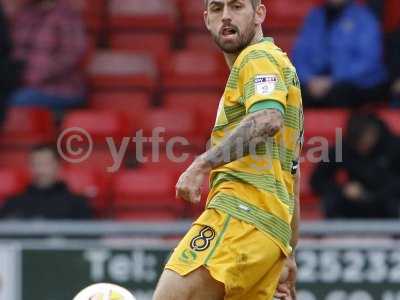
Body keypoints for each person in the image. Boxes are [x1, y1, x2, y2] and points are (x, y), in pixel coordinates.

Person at [153, 0, 303, 299]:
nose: (226, 17)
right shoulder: (279, 67)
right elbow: (292, 176)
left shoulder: (257, 58)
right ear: (206, 19)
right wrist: (286, 251)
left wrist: (201, 165)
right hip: (267, 233)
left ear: (259, 13)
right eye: (218, 8)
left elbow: (268, 119)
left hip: (241, 217)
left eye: (236, 6)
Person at [293, 0, 387, 107]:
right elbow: (299, 55)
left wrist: (333, 80)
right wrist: (309, 79)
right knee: (293, 94)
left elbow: (368, 62)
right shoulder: (315, 16)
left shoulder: (364, 18)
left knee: (340, 94)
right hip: (316, 81)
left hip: (356, 84)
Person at [311, 113, 400, 219]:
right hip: (352, 202)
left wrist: (377, 192)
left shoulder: (393, 146)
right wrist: (342, 189)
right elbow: (317, 180)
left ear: (374, 132)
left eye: (365, 141)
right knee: (331, 201)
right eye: (358, 144)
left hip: (386, 201)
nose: (362, 147)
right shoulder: (342, 148)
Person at [7, 0, 87, 110]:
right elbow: (13, 52)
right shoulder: (23, 14)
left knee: (17, 101)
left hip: (60, 90)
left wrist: (35, 76)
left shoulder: (65, 15)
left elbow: (72, 55)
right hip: (21, 86)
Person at [0, 144, 93, 219]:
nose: (40, 169)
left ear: (58, 166)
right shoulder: (14, 202)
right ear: (29, 167)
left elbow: (87, 238)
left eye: (46, 164)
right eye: (36, 164)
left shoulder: (77, 203)